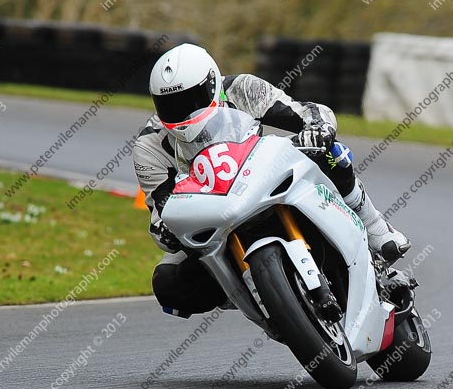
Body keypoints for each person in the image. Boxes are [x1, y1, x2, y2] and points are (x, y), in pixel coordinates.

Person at [133, 43, 411, 317]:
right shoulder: (149, 146)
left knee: (329, 152)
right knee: (167, 282)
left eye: (191, 100)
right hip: (214, 217)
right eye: (169, 105)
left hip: (263, 176)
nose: (183, 113)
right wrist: (168, 231)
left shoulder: (242, 89)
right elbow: (161, 216)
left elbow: (308, 112)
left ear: (212, 84)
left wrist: (318, 129)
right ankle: (249, 293)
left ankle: (375, 227)